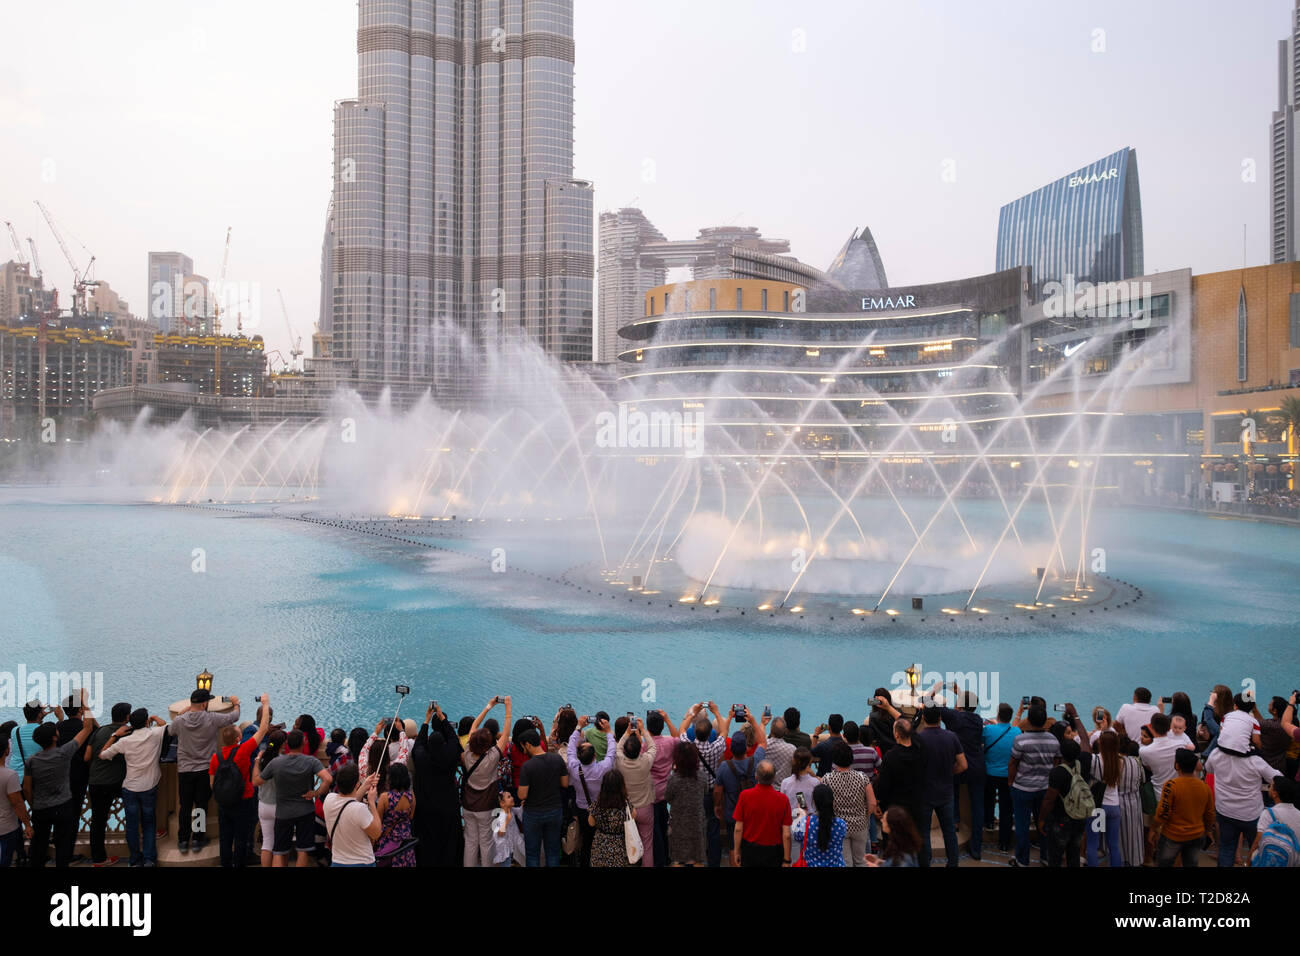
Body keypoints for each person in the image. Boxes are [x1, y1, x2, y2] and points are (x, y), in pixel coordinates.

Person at [24, 694, 97, 868]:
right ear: (55, 738)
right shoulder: (64, 754)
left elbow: (27, 788)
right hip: (63, 805)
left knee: (39, 845)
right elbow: (87, 728)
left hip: (41, 807)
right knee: (63, 845)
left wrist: (33, 805)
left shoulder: (32, 761)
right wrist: (85, 705)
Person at [172, 689, 241, 854]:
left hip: (185, 770)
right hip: (205, 769)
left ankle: (183, 840)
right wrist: (236, 703)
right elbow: (234, 717)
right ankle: (197, 839)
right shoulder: (212, 718)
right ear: (204, 704)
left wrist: (184, 712)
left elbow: (169, 731)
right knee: (201, 806)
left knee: (185, 806)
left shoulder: (180, 721)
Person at [252, 728, 332, 868]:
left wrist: (258, 760)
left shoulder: (276, 763)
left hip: (283, 812)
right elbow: (328, 779)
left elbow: (256, 781)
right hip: (305, 811)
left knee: (278, 850)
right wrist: (316, 793)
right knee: (302, 851)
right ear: (304, 742)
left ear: (287, 744)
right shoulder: (311, 761)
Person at [207, 693, 271, 867]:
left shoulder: (215, 757)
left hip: (223, 803)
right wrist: (265, 704)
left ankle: (225, 864)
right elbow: (263, 729)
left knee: (225, 838)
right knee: (241, 838)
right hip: (243, 801)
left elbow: (213, 783)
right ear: (237, 739)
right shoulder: (242, 751)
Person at [1205, 739, 1276, 867]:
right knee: (1257, 849)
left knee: (1226, 849)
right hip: (1251, 814)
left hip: (1225, 811)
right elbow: (1277, 777)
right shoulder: (1255, 761)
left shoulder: (1216, 754)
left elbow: (1208, 769)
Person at [409, 701, 462, 867]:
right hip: (447, 805)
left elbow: (419, 744)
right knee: (448, 840)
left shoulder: (422, 758)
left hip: (425, 807)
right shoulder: (450, 756)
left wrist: (426, 721)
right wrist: (442, 718)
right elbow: (454, 740)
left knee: (427, 841)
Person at [1008, 704, 1060, 867]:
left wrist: (1011, 783)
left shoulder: (1020, 740)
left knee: (1022, 826)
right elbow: (1056, 763)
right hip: (1045, 788)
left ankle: (1022, 860)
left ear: (1029, 720)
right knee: (1044, 824)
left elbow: (1013, 763)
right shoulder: (1053, 740)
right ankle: (1046, 857)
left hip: (1022, 788)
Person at [916, 702, 966, 867]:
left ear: (923, 718)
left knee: (923, 832)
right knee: (949, 832)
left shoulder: (919, 739)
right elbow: (963, 765)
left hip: (925, 792)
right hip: (946, 792)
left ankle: (925, 863)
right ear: (940, 718)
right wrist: (950, 772)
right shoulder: (951, 737)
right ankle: (953, 863)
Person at [463, 696, 510, 866]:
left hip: (468, 805)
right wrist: (508, 709)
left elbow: (474, 726)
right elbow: (506, 734)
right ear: (488, 744)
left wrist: (488, 706)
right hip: (485, 807)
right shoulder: (492, 757)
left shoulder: (467, 751)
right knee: (486, 842)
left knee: (470, 842)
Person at [680, 702, 728, 867]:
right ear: (710, 734)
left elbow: (681, 730)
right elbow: (724, 731)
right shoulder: (715, 749)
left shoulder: (687, 746)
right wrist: (716, 712)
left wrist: (692, 713)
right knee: (712, 828)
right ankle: (713, 862)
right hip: (708, 793)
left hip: (691, 793)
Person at [84, 701, 130, 867]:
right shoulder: (127, 732)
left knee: (97, 821)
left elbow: (87, 757)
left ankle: (98, 859)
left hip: (96, 782)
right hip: (117, 782)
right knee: (134, 812)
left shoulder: (99, 732)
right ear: (127, 717)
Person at [1153, 748, 1215, 868]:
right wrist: (1207, 830)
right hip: (1196, 835)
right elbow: (1210, 814)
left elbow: (1163, 813)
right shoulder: (1204, 787)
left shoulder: (1171, 786)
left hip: (1173, 835)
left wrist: (1153, 829)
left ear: (1177, 765)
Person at [567, 712, 615, 867]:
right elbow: (611, 752)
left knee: (587, 841)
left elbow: (570, 747)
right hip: (600, 808)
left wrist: (579, 727)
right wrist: (608, 732)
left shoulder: (574, 768)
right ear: (595, 755)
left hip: (582, 809)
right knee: (601, 839)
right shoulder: (603, 769)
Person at [516, 726, 569, 867]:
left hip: (533, 813)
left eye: (523, 747)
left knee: (533, 854)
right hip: (554, 810)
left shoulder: (527, 766)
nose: (523, 750)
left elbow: (522, 794)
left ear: (527, 744)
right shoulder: (557, 759)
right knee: (552, 852)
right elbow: (565, 783)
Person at [823, 740, 876, 866]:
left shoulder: (827, 779)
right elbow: (872, 803)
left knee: (845, 862)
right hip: (860, 824)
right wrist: (865, 816)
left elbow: (824, 804)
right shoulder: (862, 777)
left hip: (839, 826)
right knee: (860, 860)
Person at [731, 760, 792, 867]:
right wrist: (786, 859)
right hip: (774, 852)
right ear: (774, 778)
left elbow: (738, 828)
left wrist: (736, 851)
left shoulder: (745, 796)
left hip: (750, 850)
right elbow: (786, 834)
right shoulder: (783, 800)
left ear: (756, 776)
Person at [616, 716, 657, 866]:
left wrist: (627, 733)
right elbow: (653, 747)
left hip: (625, 808)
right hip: (645, 808)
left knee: (626, 843)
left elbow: (617, 747)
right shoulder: (646, 761)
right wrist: (643, 730)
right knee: (647, 845)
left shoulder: (620, 761)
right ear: (640, 748)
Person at [1039, 738, 1087, 867]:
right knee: (1074, 854)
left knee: (1055, 857)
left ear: (1061, 754)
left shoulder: (1057, 772)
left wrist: (1042, 819)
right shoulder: (1084, 765)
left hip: (1060, 819)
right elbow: (1086, 744)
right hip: (1079, 817)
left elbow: (1049, 800)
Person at [324, 763, 382, 867]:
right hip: (362, 862)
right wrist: (372, 802)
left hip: (338, 862)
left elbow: (348, 801)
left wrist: (364, 785)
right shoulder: (360, 809)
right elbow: (376, 833)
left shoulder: (329, 800)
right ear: (356, 784)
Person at [983, 702, 1020, 852]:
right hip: (1008, 776)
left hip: (990, 773)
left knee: (988, 799)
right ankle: (1004, 843)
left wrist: (993, 725)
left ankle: (989, 822)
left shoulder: (988, 730)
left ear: (998, 715)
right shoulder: (1017, 731)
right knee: (1006, 809)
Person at [1086, 731, 1126, 867]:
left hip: (1098, 807)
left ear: (1100, 743)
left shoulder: (1094, 760)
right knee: (1113, 845)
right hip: (1114, 806)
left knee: (1092, 844)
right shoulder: (1120, 761)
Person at [645, 709, 678, 867]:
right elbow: (678, 737)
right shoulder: (670, 742)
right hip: (666, 790)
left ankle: (659, 860)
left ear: (647, 727)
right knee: (663, 821)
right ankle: (667, 856)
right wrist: (668, 719)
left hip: (651, 792)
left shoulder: (646, 746)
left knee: (655, 828)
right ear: (662, 726)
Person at [664, 742, 706, 866]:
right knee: (698, 857)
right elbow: (705, 791)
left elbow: (668, 797)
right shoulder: (702, 776)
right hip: (697, 821)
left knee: (678, 858)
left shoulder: (674, 779)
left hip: (678, 822)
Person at [779, 747, 818, 862]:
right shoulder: (814, 783)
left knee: (794, 859)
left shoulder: (785, 783)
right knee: (809, 858)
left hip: (792, 823)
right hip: (809, 823)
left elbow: (783, 806)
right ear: (809, 763)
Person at [253, 731, 286, 868]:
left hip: (264, 805)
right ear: (284, 744)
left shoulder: (262, 759)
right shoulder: (283, 761)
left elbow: (254, 780)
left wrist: (256, 761)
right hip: (279, 806)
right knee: (279, 845)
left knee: (267, 843)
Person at [1250, 776, 1300, 866]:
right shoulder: (1299, 814)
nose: (1269, 788)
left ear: (1275, 794)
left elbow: (1258, 841)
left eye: (1271, 786)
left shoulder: (1268, 813)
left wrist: (1248, 861)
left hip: (1271, 860)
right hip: (1293, 860)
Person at [1140, 713, 1193, 795]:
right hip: (1178, 791)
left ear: (1152, 728)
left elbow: (1149, 768)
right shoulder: (1181, 744)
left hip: (1158, 793)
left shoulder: (1144, 751)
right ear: (1169, 728)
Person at [0, 735, 33, 868]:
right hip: (6, 827)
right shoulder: (10, 775)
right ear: (7, 751)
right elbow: (17, 803)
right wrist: (27, 825)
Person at [375, 762, 416, 867]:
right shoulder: (411, 796)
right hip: (405, 843)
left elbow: (378, 823)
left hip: (388, 844)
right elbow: (411, 816)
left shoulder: (385, 797)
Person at [589, 768, 632, 867]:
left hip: (600, 846)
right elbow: (633, 816)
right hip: (619, 845)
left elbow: (591, 822)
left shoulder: (598, 804)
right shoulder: (625, 804)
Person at [798, 782, 847, 867]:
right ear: (832, 800)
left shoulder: (805, 823)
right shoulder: (841, 824)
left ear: (814, 802)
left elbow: (798, 837)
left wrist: (802, 817)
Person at [491, 791, 525, 866]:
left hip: (513, 844)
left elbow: (519, 812)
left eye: (511, 796)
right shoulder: (501, 816)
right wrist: (506, 821)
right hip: (505, 848)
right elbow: (499, 833)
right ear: (502, 803)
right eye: (509, 797)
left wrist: (522, 806)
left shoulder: (512, 810)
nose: (512, 798)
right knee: (506, 863)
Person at [763, 716, 797, 783]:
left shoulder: (764, 746)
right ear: (785, 732)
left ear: (771, 730)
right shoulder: (792, 749)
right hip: (784, 789)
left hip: (767, 787)